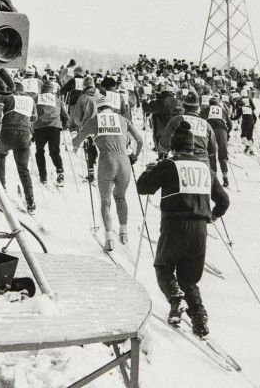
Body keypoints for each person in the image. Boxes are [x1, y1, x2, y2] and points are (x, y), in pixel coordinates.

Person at [136, 120, 230, 338]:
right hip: (199, 229)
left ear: (173, 146)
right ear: (193, 146)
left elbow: (143, 188)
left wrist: (149, 170)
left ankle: (175, 299)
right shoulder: (205, 168)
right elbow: (224, 201)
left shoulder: (170, 164)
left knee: (163, 266)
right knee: (189, 278)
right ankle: (199, 317)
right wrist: (210, 217)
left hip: (174, 225)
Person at [72, 94, 143, 250]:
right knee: (121, 197)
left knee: (105, 202)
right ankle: (124, 233)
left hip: (106, 161)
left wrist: (76, 140)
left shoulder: (94, 120)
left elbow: (76, 141)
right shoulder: (123, 120)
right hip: (124, 161)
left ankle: (109, 239)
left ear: (99, 108)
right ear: (112, 108)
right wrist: (134, 157)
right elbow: (140, 140)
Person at [0, 77, 37, 212]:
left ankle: (1, 186)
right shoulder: (30, 99)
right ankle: (30, 200)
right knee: (23, 168)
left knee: (0, 154)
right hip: (24, 135)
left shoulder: (6, 97)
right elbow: (34, 118)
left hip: (7, 132)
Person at [159, 92, 218, 174]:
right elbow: (213, 151)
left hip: (181, 165)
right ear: (197, 108)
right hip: (203, 166)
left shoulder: (176, 120)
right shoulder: (206, 125)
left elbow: (163, 145)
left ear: (184, 107)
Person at [33, 73, 68, 186]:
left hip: (40, 128)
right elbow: (65, 115)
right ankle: (60, 171)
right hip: (54, 127)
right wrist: (64, 124)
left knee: (39, 151)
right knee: (54, 151)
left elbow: (32, 113)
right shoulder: (57, 99)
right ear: (52, 90)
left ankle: (43, 176)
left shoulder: (36, 98)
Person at [201, 97, 232, 187]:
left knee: (211, 153)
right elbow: (230, 124)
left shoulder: (206, 110)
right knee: (223, 155)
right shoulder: (223, 110)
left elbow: (200, 119)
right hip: (222, 131)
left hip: (210, 130)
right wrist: (227, 133)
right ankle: (225, 177)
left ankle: (214, 178)